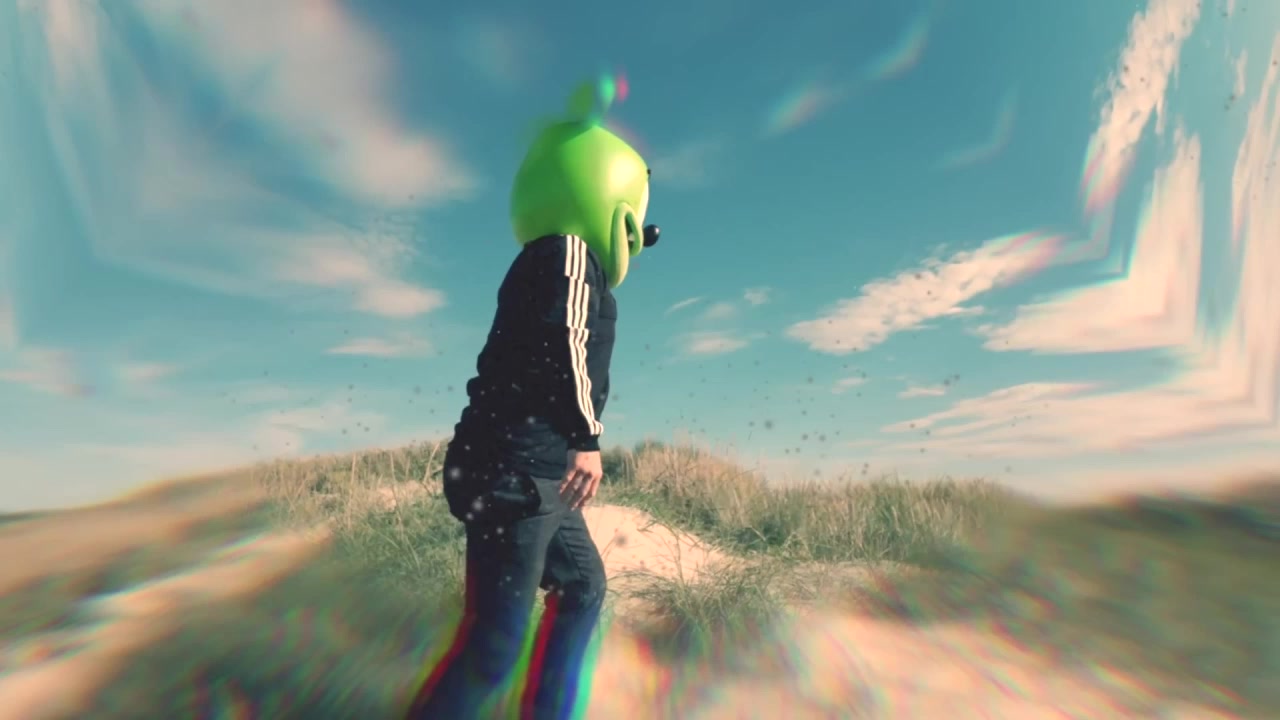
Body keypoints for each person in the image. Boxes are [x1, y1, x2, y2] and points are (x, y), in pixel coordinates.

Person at [406, 79, 662, 720]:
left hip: (534, 474)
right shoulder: (568, 252)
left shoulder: (564, 262)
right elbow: (565, 339)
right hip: (516, 472)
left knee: (583, 586)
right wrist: (586, 438)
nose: (639, 236)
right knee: (493, 647)